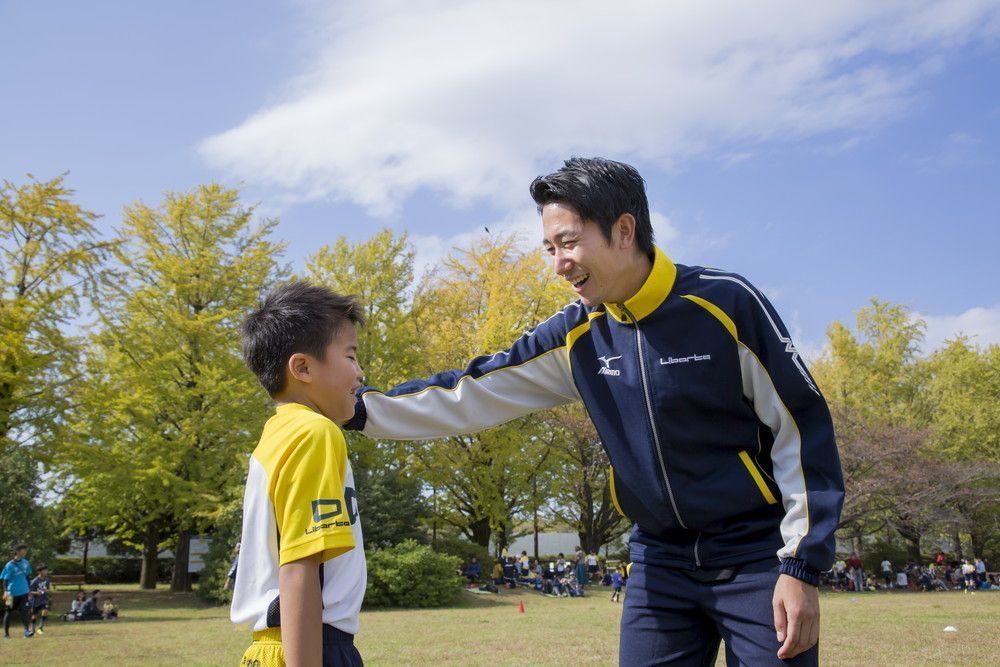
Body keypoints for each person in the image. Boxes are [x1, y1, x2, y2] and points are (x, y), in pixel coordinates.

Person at [345, 157, 843, 665]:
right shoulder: (577, 334)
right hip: (658, 562)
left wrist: (800, 566)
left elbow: (800, 429)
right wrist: (353, 411)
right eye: (549, 248)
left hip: (756, 556)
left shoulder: (725, 304)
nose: (558, 263)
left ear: (624, 230)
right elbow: (472, 393)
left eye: (569, 242)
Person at [230, 282, 367, 667]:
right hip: (311, 647)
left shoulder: (277, 434)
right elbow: (299, 568)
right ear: (302, 367)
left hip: (272, 647)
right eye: (351, 356)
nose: (360, 373)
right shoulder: (315, 433)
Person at [1, 544, 33, 639]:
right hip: (11, 594)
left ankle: (26, 631)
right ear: (17, 552)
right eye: (23, 550)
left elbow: (27, 577)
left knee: (24, 611)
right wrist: (5, 591)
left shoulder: (26, 563)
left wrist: (29, 590)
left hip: (24, 592)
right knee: (8, 612)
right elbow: (5, 580)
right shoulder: (9, 565)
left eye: (25, 550)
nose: (25, 552)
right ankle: (6, 634)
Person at [28, 564, 51, 634]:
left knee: (45, 611)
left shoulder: (47, 579)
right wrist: (36, 593)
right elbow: (29, 591)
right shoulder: (35, 581)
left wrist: (47, 590)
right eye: (44, 570)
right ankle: (32, 629)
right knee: (34, 615)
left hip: (44, 599)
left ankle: (40, 627)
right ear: (39, 572)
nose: (46, 571)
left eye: (46, 570)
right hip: (35, 600)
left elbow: (48, 588)